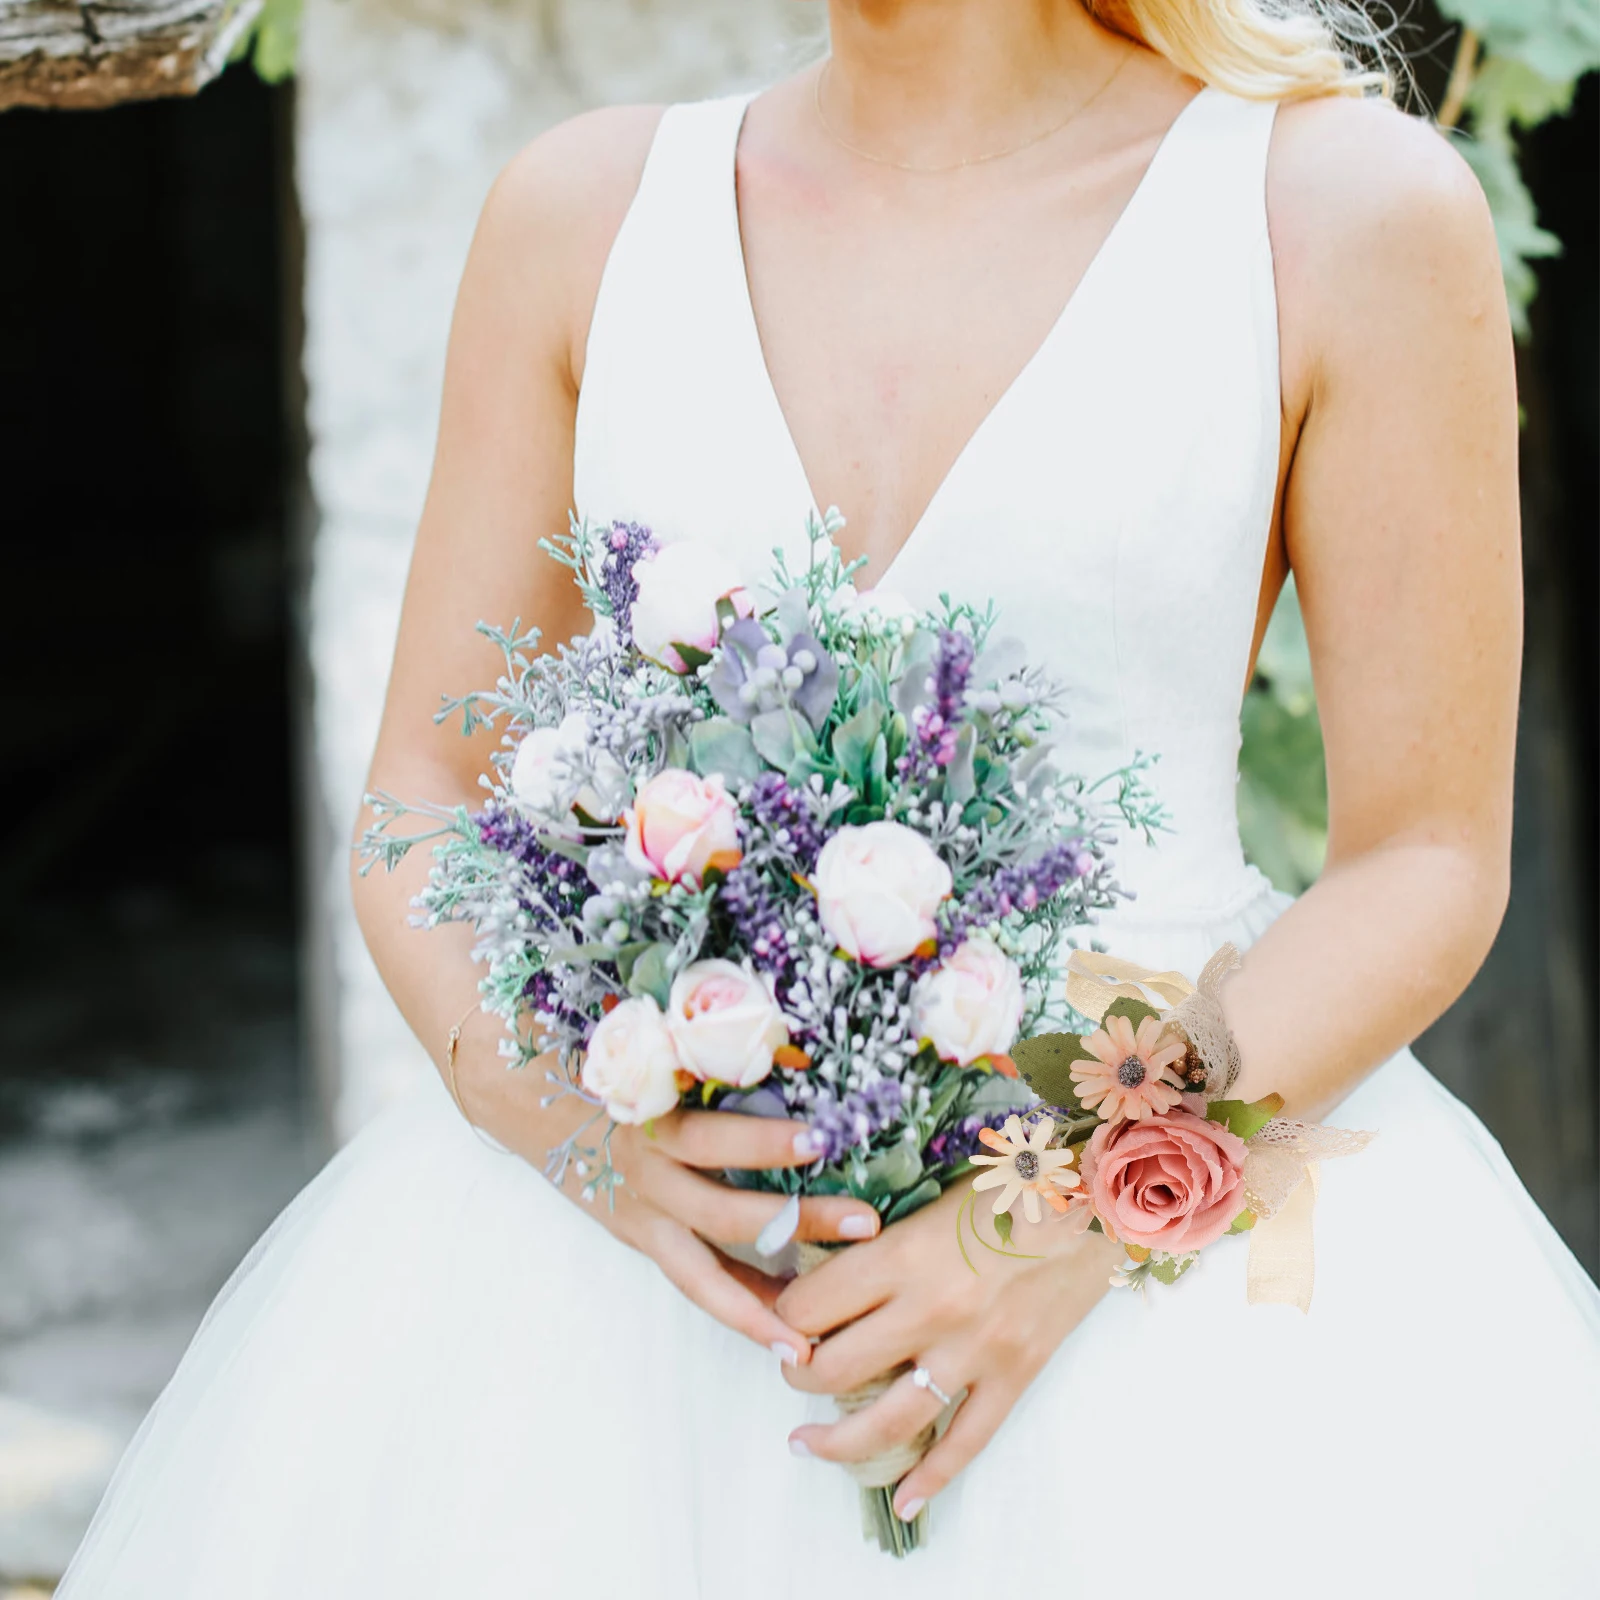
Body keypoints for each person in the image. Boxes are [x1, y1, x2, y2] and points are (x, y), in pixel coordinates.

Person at [59, 2, 1600, 1595]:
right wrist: (579, 1131)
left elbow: (1424, 855)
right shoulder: (579, 216)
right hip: (616, 1315)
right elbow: (421, 803)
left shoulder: (1345, 212)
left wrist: (1067, 1218)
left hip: (1158, 1301)